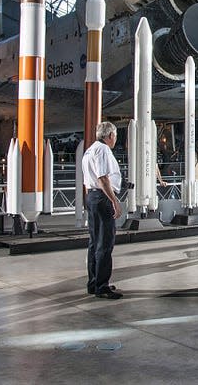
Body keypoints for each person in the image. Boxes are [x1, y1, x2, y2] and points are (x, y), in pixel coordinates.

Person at [82, 121, 123, 299]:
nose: (115, 139)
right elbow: (103, 178)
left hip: (92, 197)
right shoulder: (103, 150)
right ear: (110, 136)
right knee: (105, 244)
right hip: (101, 197)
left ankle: (94, 283)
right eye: (115, 136)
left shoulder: (90, 150)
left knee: (94, 242)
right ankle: (102, 286)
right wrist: (114, 201)